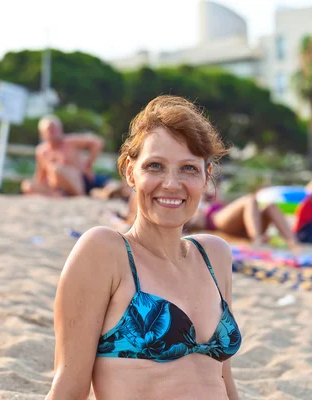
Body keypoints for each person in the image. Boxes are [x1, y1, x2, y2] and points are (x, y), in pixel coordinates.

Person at [45, 96, 242, 400]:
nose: (172, 184)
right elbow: (68, 388)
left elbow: (224, 379)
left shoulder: (214, 255)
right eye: (155, 166)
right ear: (129, 171)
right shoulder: (105, 252)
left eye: (188, 168)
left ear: (207, 176)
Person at [21, 115, 106, 197]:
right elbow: (40, 176)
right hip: (57, 188)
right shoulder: (41, 151)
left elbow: (98, 142)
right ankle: (56, 195)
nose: (53, 131)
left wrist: (88, 165)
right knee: (27, 184)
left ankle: (81, 194)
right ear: (42, 133)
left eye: (55, 128)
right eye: (50, 129)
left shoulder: (70, 142)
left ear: (61, 129)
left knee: (57, 170)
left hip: (80, 182)